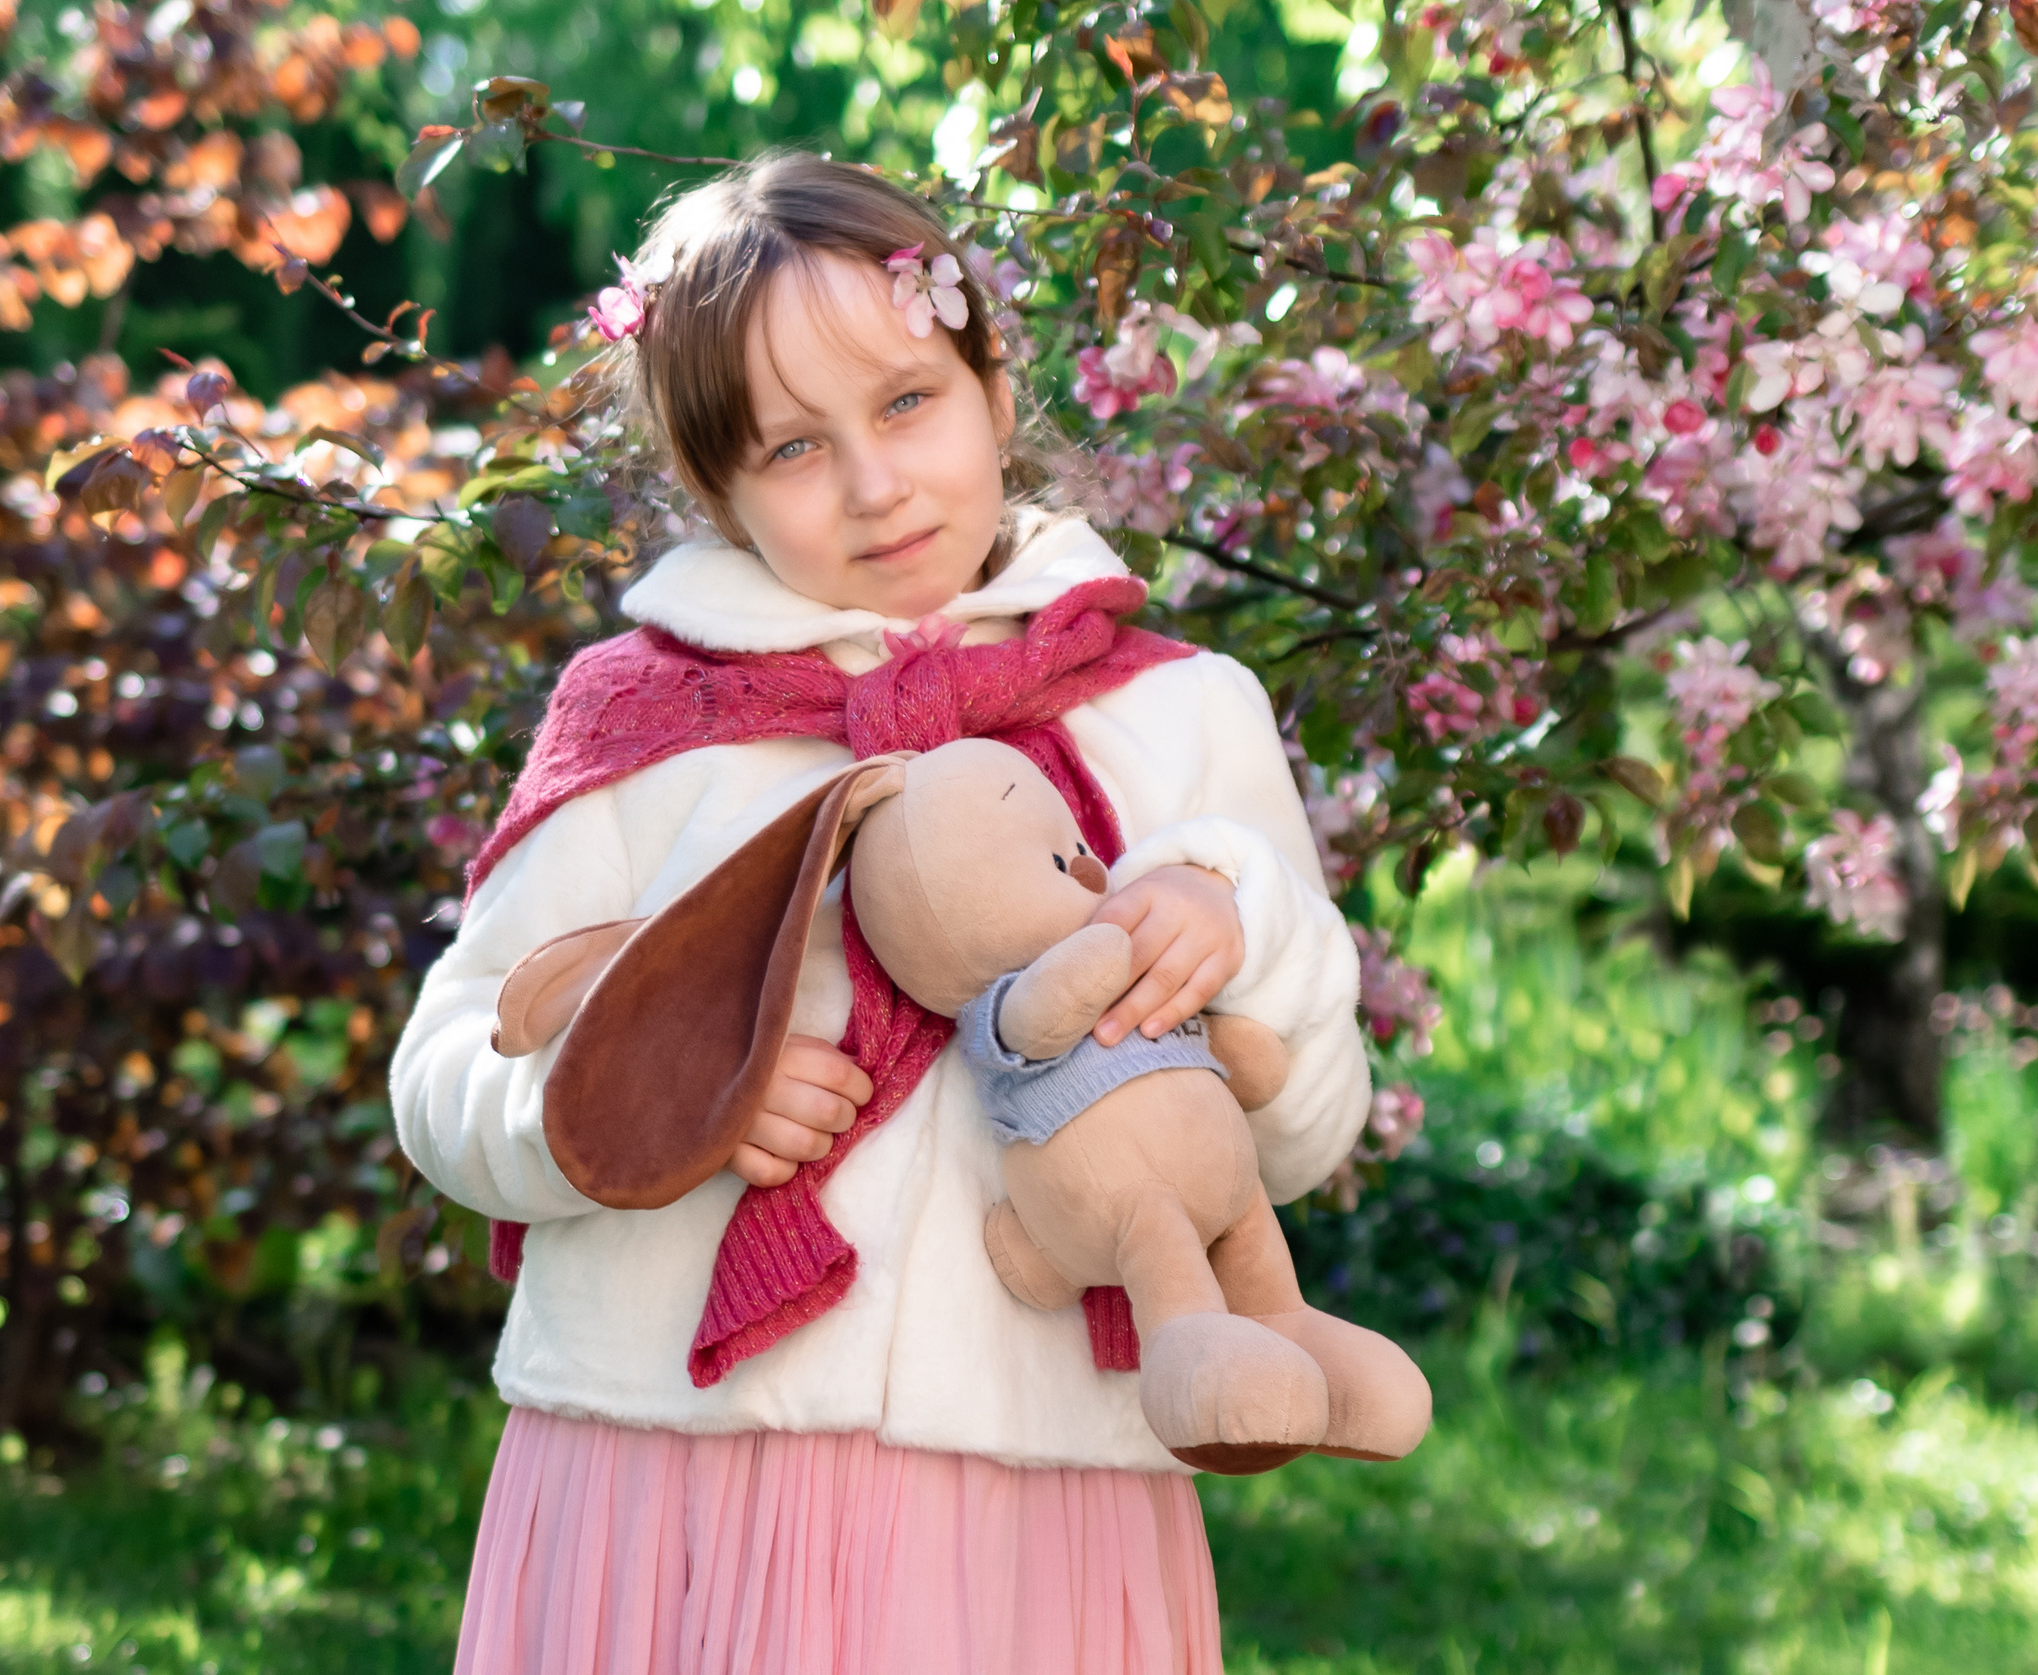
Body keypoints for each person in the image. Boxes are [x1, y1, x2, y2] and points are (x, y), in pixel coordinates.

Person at [389, 149, 1371, 1675]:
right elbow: (450, 1078)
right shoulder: (643, 719)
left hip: (1029, 1512)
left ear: (991, 380)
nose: (873, 482)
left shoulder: (1178, 718)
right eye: (791, 446)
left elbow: (1298, 1138)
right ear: (712, 487)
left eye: (908, 402)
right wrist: (661, 1091)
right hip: (669, 1482)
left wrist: (1234, 930)